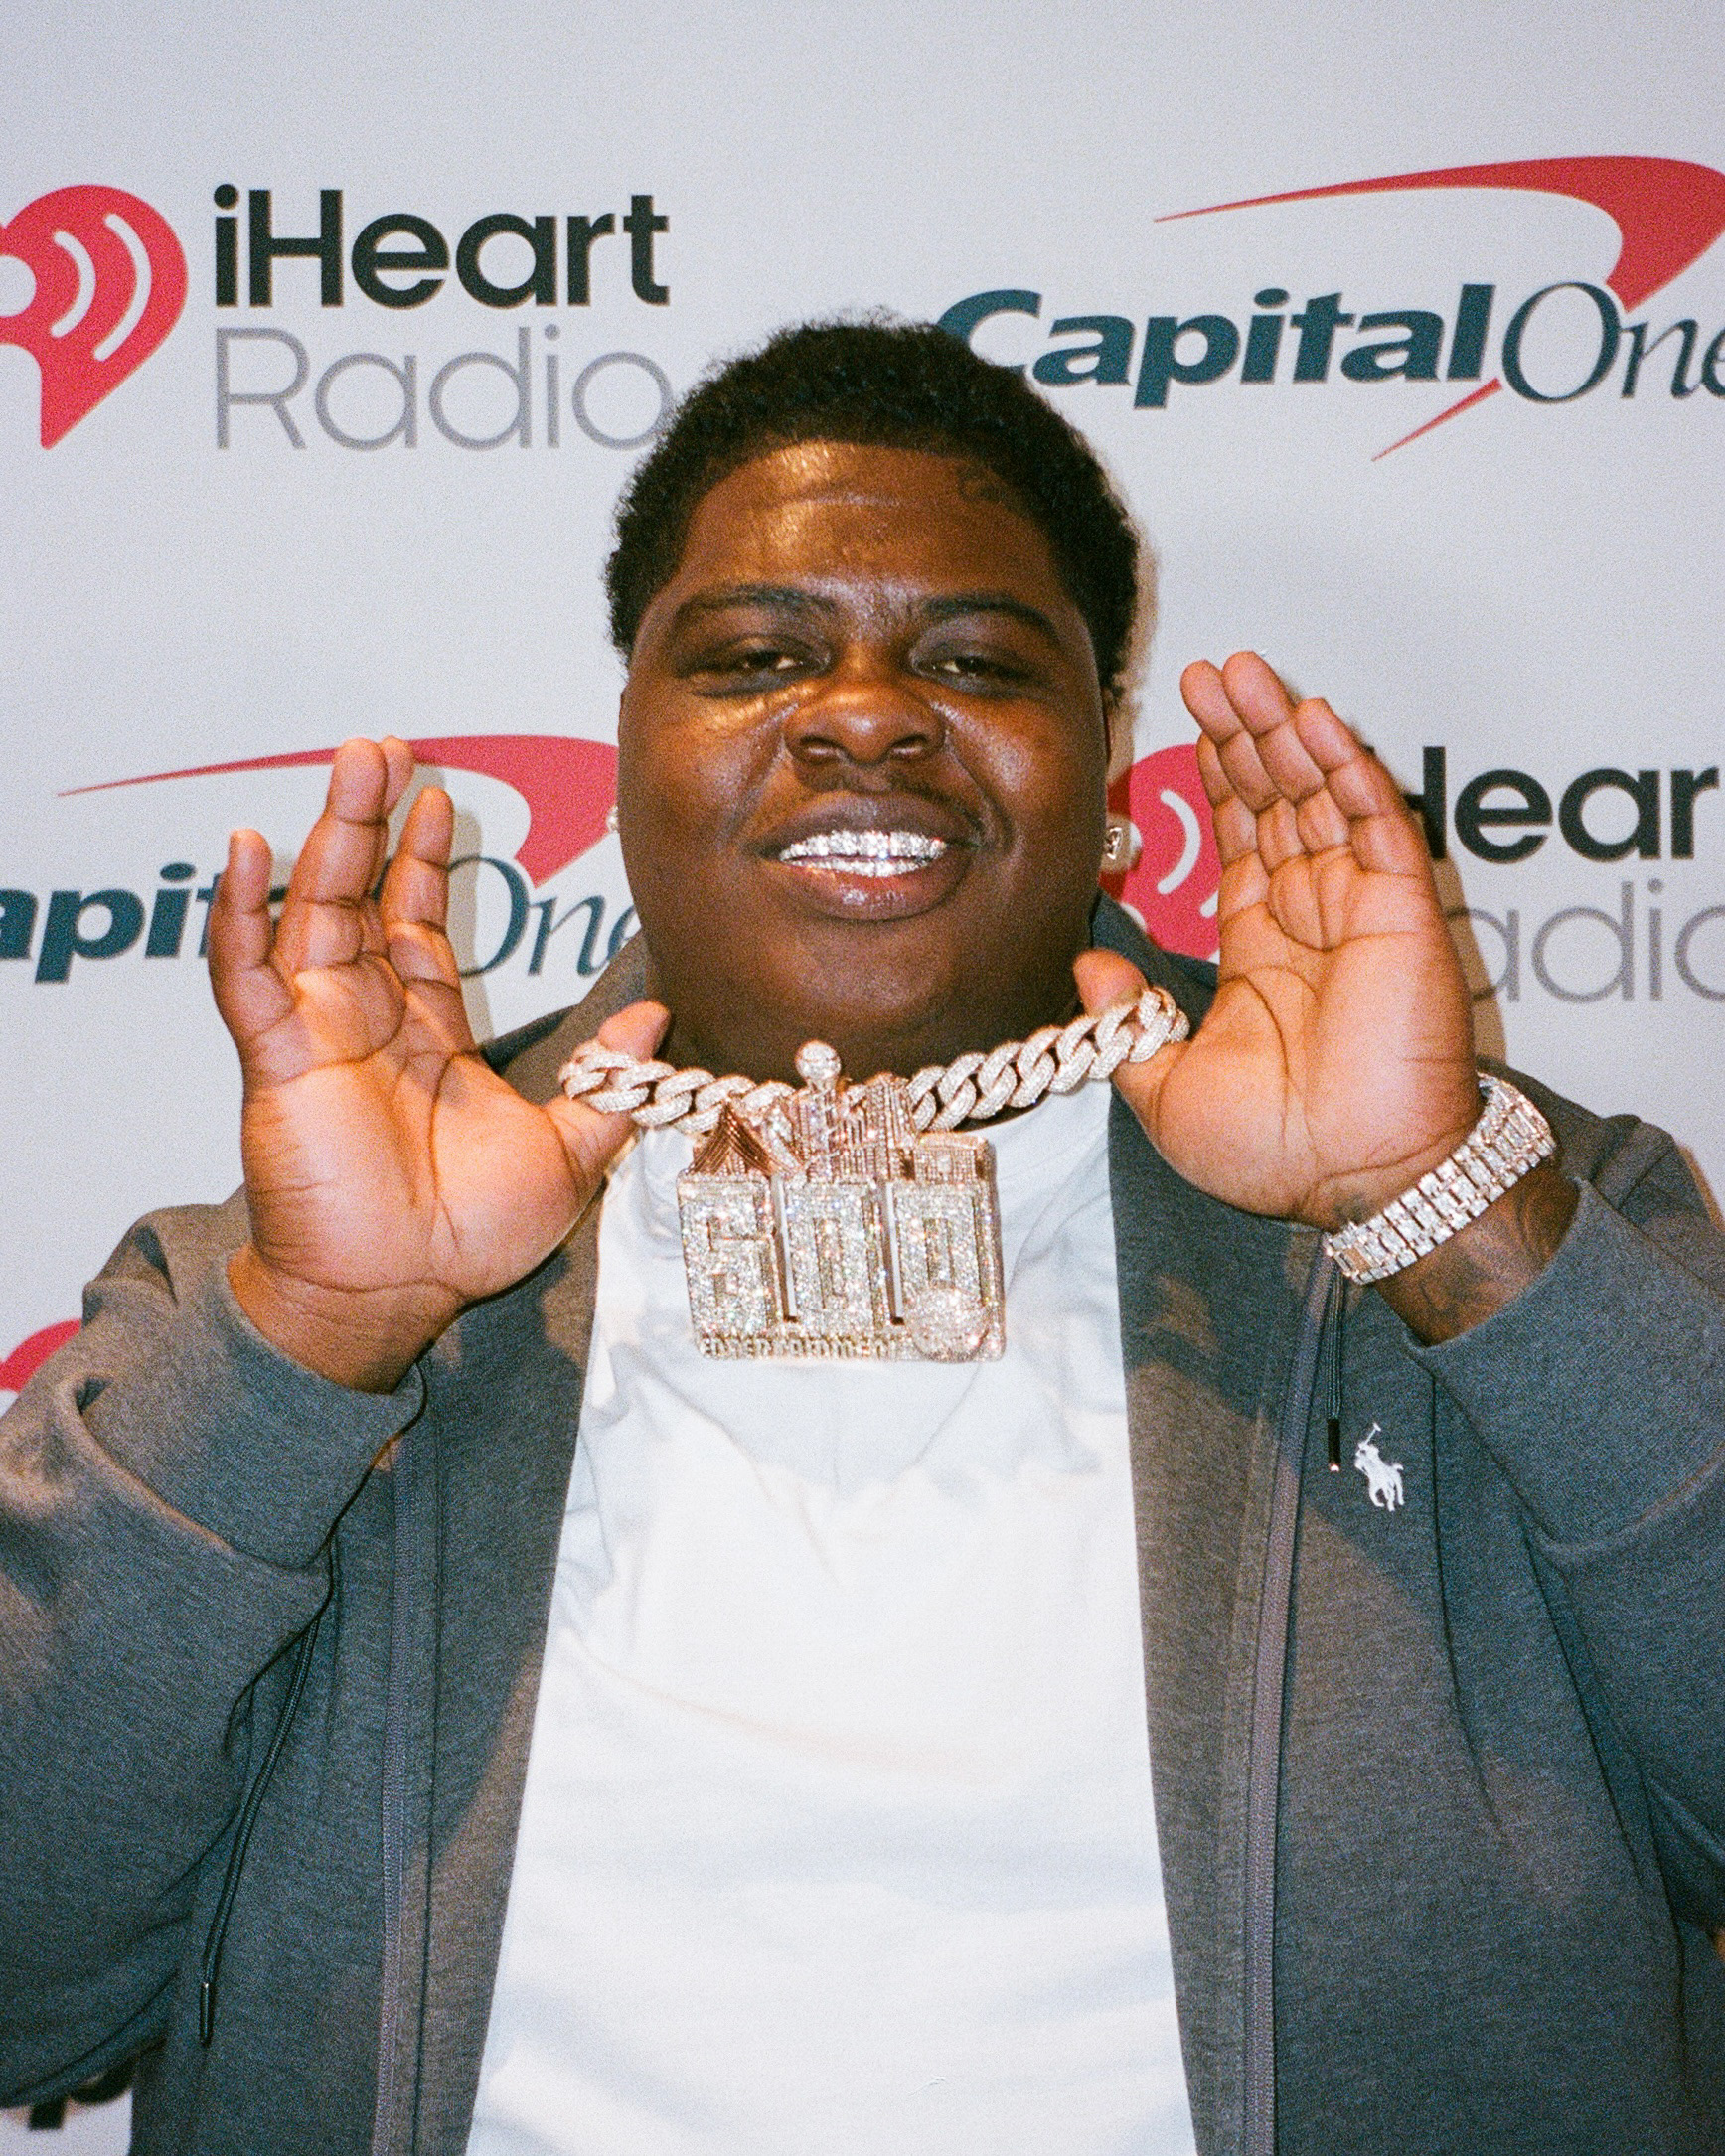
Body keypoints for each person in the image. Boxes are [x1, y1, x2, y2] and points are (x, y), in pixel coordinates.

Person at [3, 320, 1722, 2156]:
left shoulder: (1514, 1213)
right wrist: (311, 1333)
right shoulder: (288, 1278)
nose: (867, 716)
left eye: (976, 660)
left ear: (1111, 765)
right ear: (625, 745)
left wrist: (1439, 1205)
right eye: (755, 657)